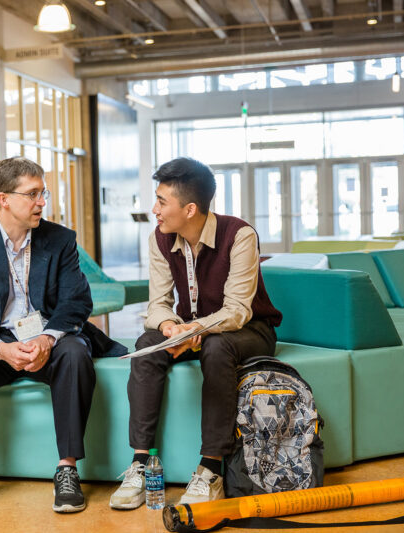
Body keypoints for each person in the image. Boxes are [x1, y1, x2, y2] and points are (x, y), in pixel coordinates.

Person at [0, 157, 124, 515]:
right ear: (4, 199)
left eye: (42, 192)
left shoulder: (60, 239)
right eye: (33, 194)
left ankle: (67, 469)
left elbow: (76, 300)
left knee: (76, 353)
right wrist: (0, 349)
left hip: (47, 338)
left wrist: (47, 339)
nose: (42, 202)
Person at [110, 157, 283, 509]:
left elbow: (237, 311)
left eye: (161, 201)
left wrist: (194, 330)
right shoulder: (159, 239)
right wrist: (170, 327)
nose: (154, 209)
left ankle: (210, 469)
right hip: (190, 329)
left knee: (216, 347)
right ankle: (140, 464)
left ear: (190, 209)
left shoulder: (240, 235)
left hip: (247, 331)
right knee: (147, 343)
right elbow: (157, 303)